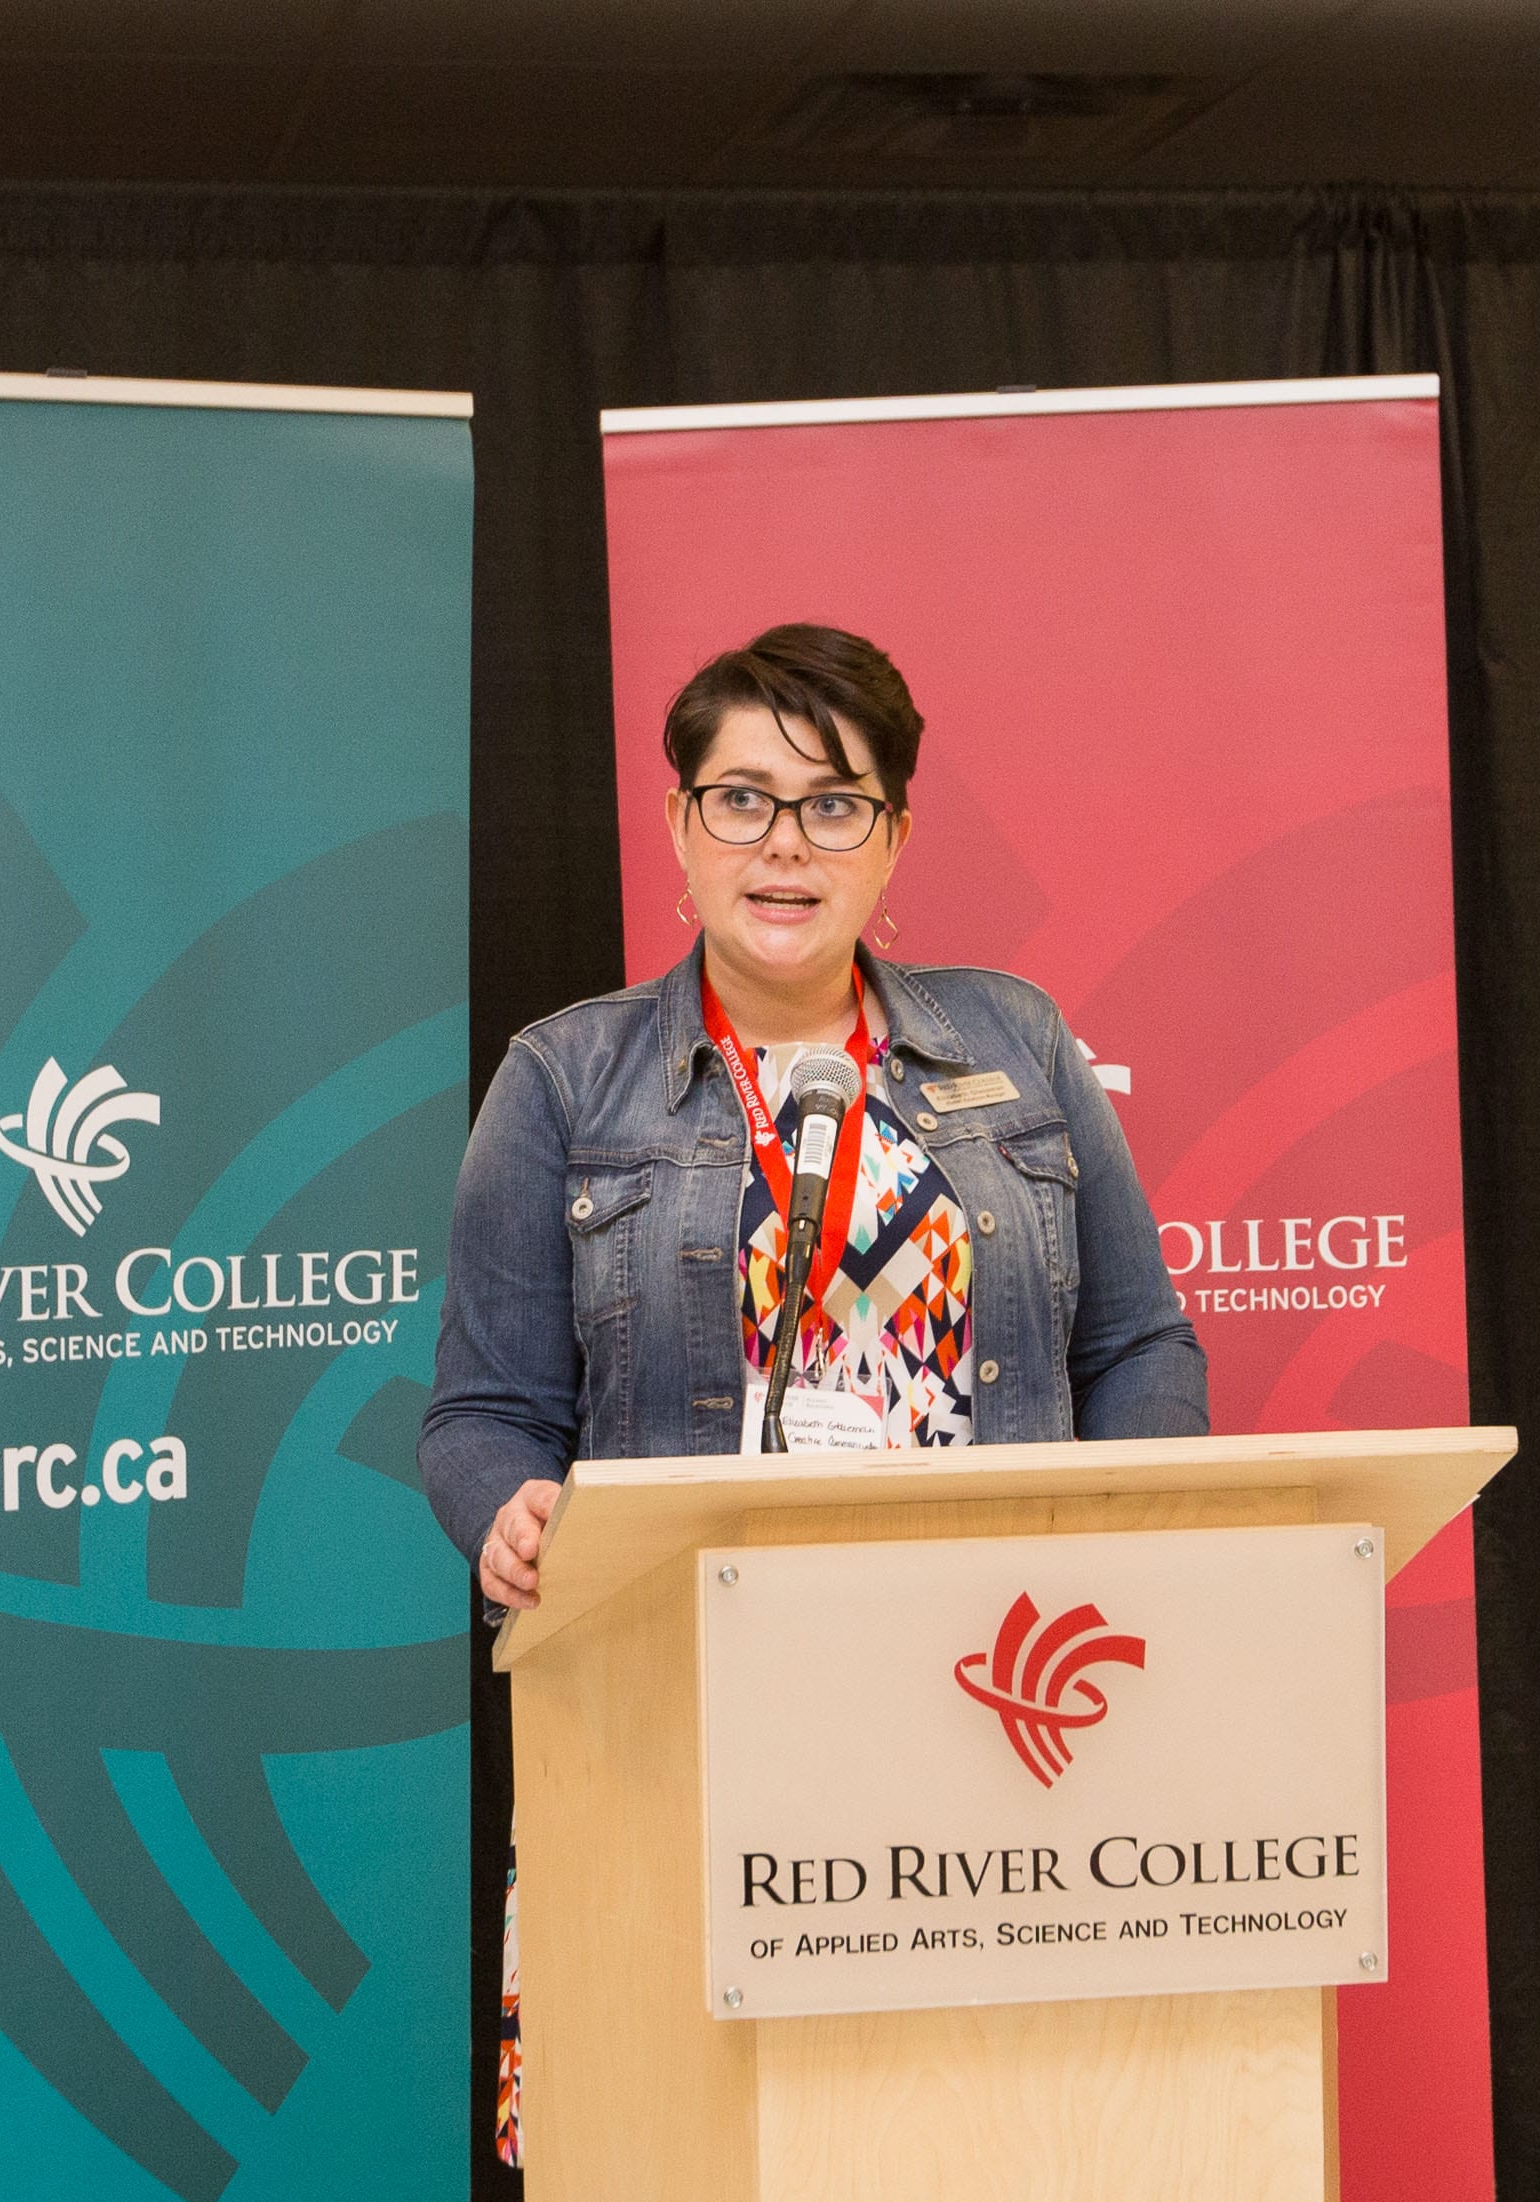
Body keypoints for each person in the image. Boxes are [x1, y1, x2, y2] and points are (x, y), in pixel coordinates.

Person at [422, 621, 1203, 1614]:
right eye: (741, 799)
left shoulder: (1018, 1037)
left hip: (999, 1636)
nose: (784, 840)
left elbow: (1138, 1347)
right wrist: (507, 1512)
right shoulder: (562, 1078)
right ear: (680, 824)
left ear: (894, 838)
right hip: (683, 1634)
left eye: (833, 804)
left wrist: (1122, 1544)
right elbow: (485, 1412)